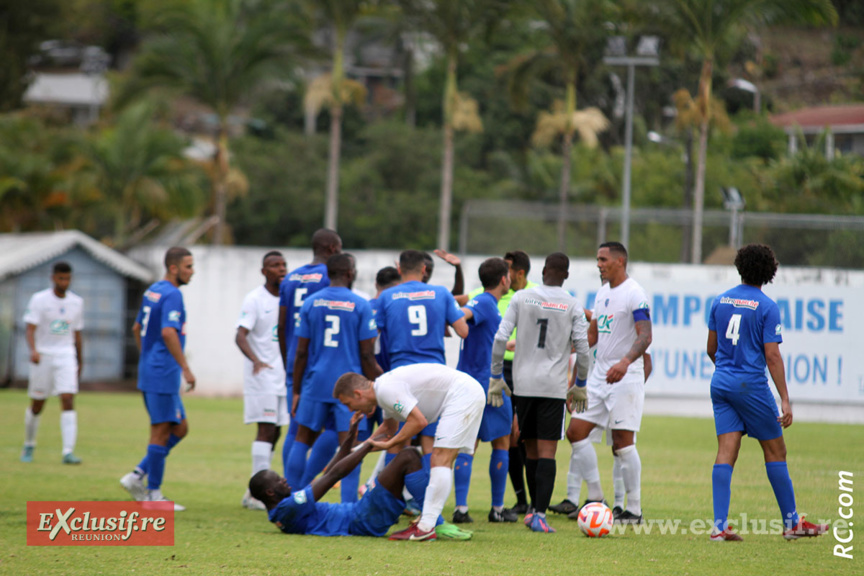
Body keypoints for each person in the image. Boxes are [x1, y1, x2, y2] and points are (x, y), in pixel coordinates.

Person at [707, 244, 828, 542]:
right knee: (776, 450)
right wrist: (784, 398)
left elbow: (711, 348)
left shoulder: (720, 300)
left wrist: (728, 373)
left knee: (726, 450)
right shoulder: (766, 306)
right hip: (750, 385)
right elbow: (772, 356)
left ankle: (719, 526)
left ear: (739, 266)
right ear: (770, 271)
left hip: (721, 382)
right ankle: (792, 523)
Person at [489, 252, 590, 533]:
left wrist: (496, 375)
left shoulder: (522, 298)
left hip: (523, 384)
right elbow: (583, 350)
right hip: (553, 388)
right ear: (566, 275)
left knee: (530, 448)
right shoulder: (572, 304)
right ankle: (540, 514)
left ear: (543, 270)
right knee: (547, 451)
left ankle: (533, 508)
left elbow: (500, 338)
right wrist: (580, 384)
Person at [335, 364, 484, 541]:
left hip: (463, 395)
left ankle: (426, 527)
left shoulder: (386, 391)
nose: (351, 410)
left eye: (348, 404)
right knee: (443, 459)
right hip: (467, 392)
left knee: (440, 458)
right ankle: (428, 524)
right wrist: (355, 451)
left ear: (358, 394)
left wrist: (391, 443)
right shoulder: (383, 391)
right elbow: (388, 430)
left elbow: (418, 422)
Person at [566, 242, 652, 525]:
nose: (599, 264)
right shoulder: (602, 292)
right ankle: (596, 498)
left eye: (603, 259)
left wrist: (625, 362)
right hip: (599, 377)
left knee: (622, 444)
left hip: (626, 377)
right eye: (597, 260)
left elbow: (645, 336)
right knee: (575, 432)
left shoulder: (635, 294)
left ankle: (634, 510)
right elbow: (593, 336)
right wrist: (568, 355)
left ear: (620, 261)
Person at [286, 253, 381, 502]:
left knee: (302, 439)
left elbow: (301, 352)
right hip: (350, 388)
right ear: (350, 273)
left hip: (315, 383)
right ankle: (348, 505)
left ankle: (291, 500)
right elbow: (367, 354)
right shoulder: (360, 304)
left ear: (329, 274)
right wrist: (377, 389)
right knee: (349, 446)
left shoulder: (311, 303)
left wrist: (296, 390)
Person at [250, 413, 429, 538]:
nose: (285, 480)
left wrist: (350, 436)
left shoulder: (282, 510)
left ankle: (428, 520)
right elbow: (333, 476)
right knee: (409, 455)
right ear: (270, 492)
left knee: (409, 455)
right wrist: (367, 445)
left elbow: (329, 473)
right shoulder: (288, 508)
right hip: (362, 518)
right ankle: (431, 521)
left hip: (362, 515)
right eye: (279, 481)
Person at [120, 247, 195, 510]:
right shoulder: (173, 294)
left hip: (151, 369)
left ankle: (137, 475)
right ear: (173, 268)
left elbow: (136, 327)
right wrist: (185, 367)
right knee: (161, 431)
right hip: (163, 372)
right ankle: (154, 495)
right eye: (188, 266)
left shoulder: (152, 290)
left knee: (180, 428)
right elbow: (168, 333)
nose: (192, 271)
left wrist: (147, 357)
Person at [376, 250, 468, 459]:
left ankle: (391, 491)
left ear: (399, 269)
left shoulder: (387, 296)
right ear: (424, 269)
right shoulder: (441, 293)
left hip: (401, 374)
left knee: (398, 440)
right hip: (434, 376)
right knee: (430, 442)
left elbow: (373, 337)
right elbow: (463, 331)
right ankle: (427, 490)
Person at [449, 257, 517, 524]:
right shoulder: (485, 302)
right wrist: (456, 322)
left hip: (471, 383)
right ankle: (496, 510)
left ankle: (462, 509)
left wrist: (504, 346)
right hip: (488, 384)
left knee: (468, 446)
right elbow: (464, 316)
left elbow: (480, 333)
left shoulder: (486, 303)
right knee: (501, 442)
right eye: (508, 275)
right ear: (504, 279)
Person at [277, 229, 342, 479]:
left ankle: (289, 488)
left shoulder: (291, 277)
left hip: (295, 359)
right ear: (332, 248)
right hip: (320, 361)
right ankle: (303, 486)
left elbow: (281, 325)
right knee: (336, 427)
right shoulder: (330, 277)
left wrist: (288, 362)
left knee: (296, 429)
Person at [235, 250, 288, 510]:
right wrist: (256, 360)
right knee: (266, 429)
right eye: (275, 265)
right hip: (263, 376)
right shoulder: (255, 299)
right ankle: (257, 495)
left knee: (276, 431)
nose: (281, 269)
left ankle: (253, 489)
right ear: (263, 271)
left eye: (283, 265)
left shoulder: (289, 298)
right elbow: (240, 335)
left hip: (283, 376)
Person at [20, 261, 84, 464]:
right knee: (38, 404)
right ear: (53, 278)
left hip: (66, 355)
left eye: (67, 278)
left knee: (67, 398)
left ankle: (67, 451)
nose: (64, 282)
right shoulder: (39, 300)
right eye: (61, 278)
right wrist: (34, 350)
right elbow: (30, 329)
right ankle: (29, 444)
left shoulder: (77, 302)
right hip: (44, 355)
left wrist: (79, 360)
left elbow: (77, 333)